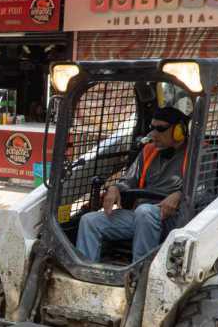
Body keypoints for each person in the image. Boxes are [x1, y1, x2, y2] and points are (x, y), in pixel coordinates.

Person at [75, 106, 190, 263]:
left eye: (160, 129)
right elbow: (129, 180)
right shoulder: (148, 151)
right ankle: (86, 273)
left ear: (179, 131)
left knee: (145, 211)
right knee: (89, 221)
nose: (153, 134)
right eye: (152, 128)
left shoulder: (197, 153)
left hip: (176, 221)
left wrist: (180, 195)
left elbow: (205, 194)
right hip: (142, 216)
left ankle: (139, 272)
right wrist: (115, 188)